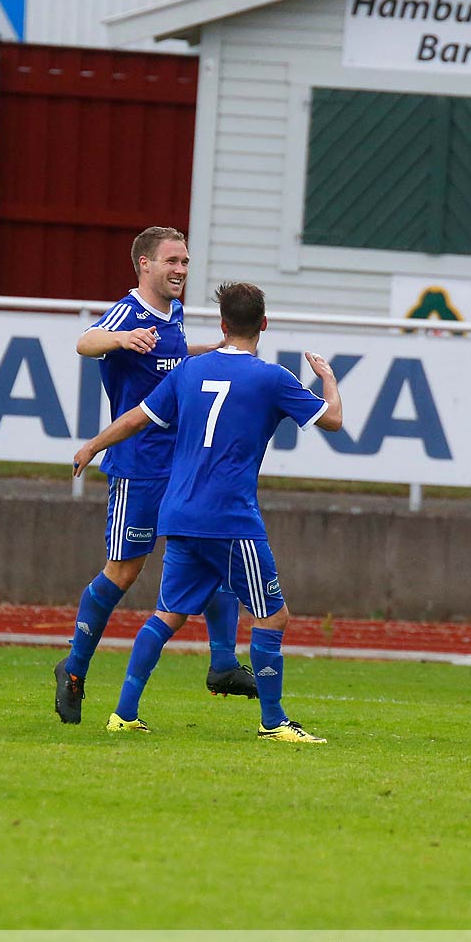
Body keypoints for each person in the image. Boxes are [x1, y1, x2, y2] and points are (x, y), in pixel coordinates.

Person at [72, 281, 343, 744]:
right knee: (272, 617)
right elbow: (333, 420)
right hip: (231, 519)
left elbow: (138, 417)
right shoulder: (272, 377)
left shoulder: (188, 372)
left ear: (221, 325)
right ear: (263, 323)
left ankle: (123, 714)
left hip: (177, 513)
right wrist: (329, 380)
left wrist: (94, 445)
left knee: (168, 614)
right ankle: (273, 722)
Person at [53, 226, 256, 725]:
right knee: (125, 571)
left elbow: (172, 358)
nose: (181, 270)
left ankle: (224, 663)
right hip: (138, 467)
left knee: (214, 549)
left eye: (185, 262)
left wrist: (218, 350)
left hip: (182, 463)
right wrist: (120, 338)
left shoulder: (175, 314)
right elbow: (84, 341)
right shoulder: (130, 312)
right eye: (172, 261)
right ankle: (74, 668)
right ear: (144, 264)